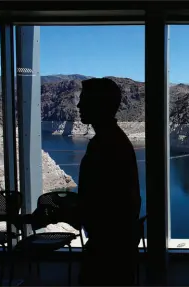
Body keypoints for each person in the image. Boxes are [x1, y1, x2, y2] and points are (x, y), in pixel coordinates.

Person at [77, 78, 141, 286]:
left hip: (109, 246)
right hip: (117, 242)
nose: (78, 105)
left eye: (83, 100)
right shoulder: (112, 138)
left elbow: (101, 201)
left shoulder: (106, 144)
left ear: (99, 105)